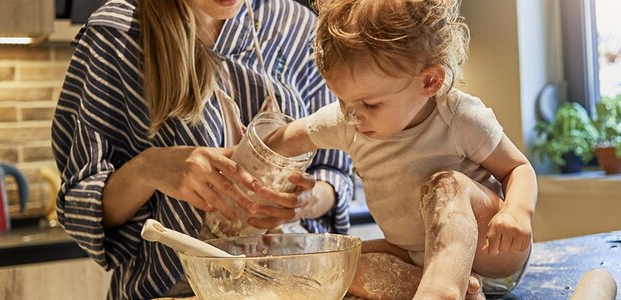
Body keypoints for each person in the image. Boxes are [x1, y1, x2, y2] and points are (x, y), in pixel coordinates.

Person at [51, 0, 353, 298]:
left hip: (291, 286)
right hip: (171, 292)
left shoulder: (295, 27)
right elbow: (82, 204)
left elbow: (335, 172)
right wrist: (148, 169)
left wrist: (308, 200)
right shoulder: (118, 32)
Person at [264, 0, 537, 298]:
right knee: (338, 262)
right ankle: (463, 289)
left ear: (430, 81)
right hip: (412, 254)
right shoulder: (349, 119)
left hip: (493, 251)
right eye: (342, 101)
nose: (352, 116)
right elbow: (290, 138)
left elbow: (518, 168)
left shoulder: (459, 117)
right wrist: (247, 159)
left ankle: (442, 290)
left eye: (370, 104)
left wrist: (517, 212)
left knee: (447, 185)